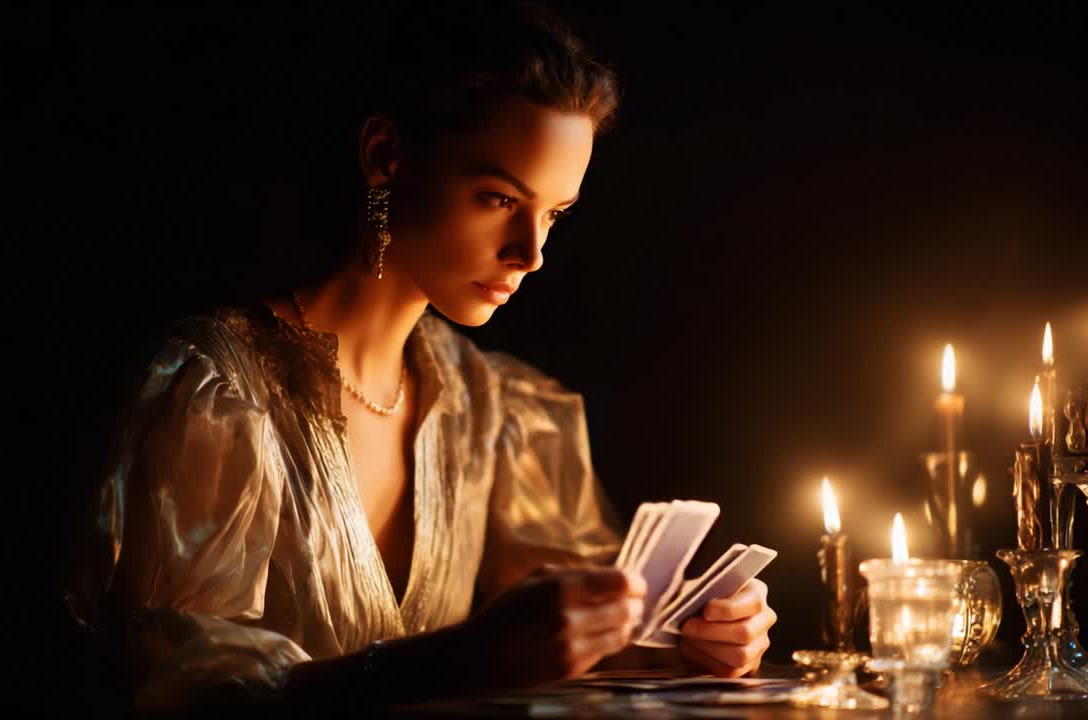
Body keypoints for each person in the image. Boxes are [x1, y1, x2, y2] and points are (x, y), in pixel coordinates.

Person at [67, 1, 776, 712]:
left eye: (554, 214)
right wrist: (456, 659)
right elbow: (178, 692)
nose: (531, 252)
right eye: (498, 198)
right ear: (386, 155)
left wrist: (690, 638)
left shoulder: (494, 409)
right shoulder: (215, 389)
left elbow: (578, 632)